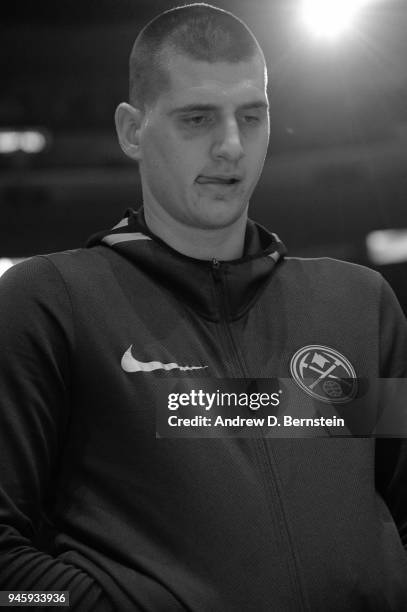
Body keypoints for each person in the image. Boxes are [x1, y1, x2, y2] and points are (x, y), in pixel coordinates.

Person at [0, 3, 406, 610]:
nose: (231, 147)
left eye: (252, 116)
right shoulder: (51, 303)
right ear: (132, 130)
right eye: (197, 119)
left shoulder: (356, 304)